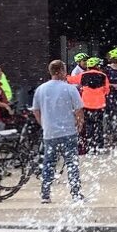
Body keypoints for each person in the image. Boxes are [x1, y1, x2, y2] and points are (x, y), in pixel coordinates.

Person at [30, 59, 85, 204]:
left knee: (48, 163)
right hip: (68, 131)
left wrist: (43, 124)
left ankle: (45, 194)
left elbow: (35, 110)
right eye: (65, 70)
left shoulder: (41, 89)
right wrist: (79, 123)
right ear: (60, 71)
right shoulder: (69, 88)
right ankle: (76, 194)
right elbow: (79, 109)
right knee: (72, 163)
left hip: (50, 133)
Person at [77, 57, 110, 150]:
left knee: (88, 124)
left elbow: (72, 80)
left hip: (87, 104)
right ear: (97, 66)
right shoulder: (103, 75)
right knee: (99, 124)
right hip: (99, 104)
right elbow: (107, 90)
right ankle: (99, 144)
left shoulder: (82, 75)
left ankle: (90, 144)